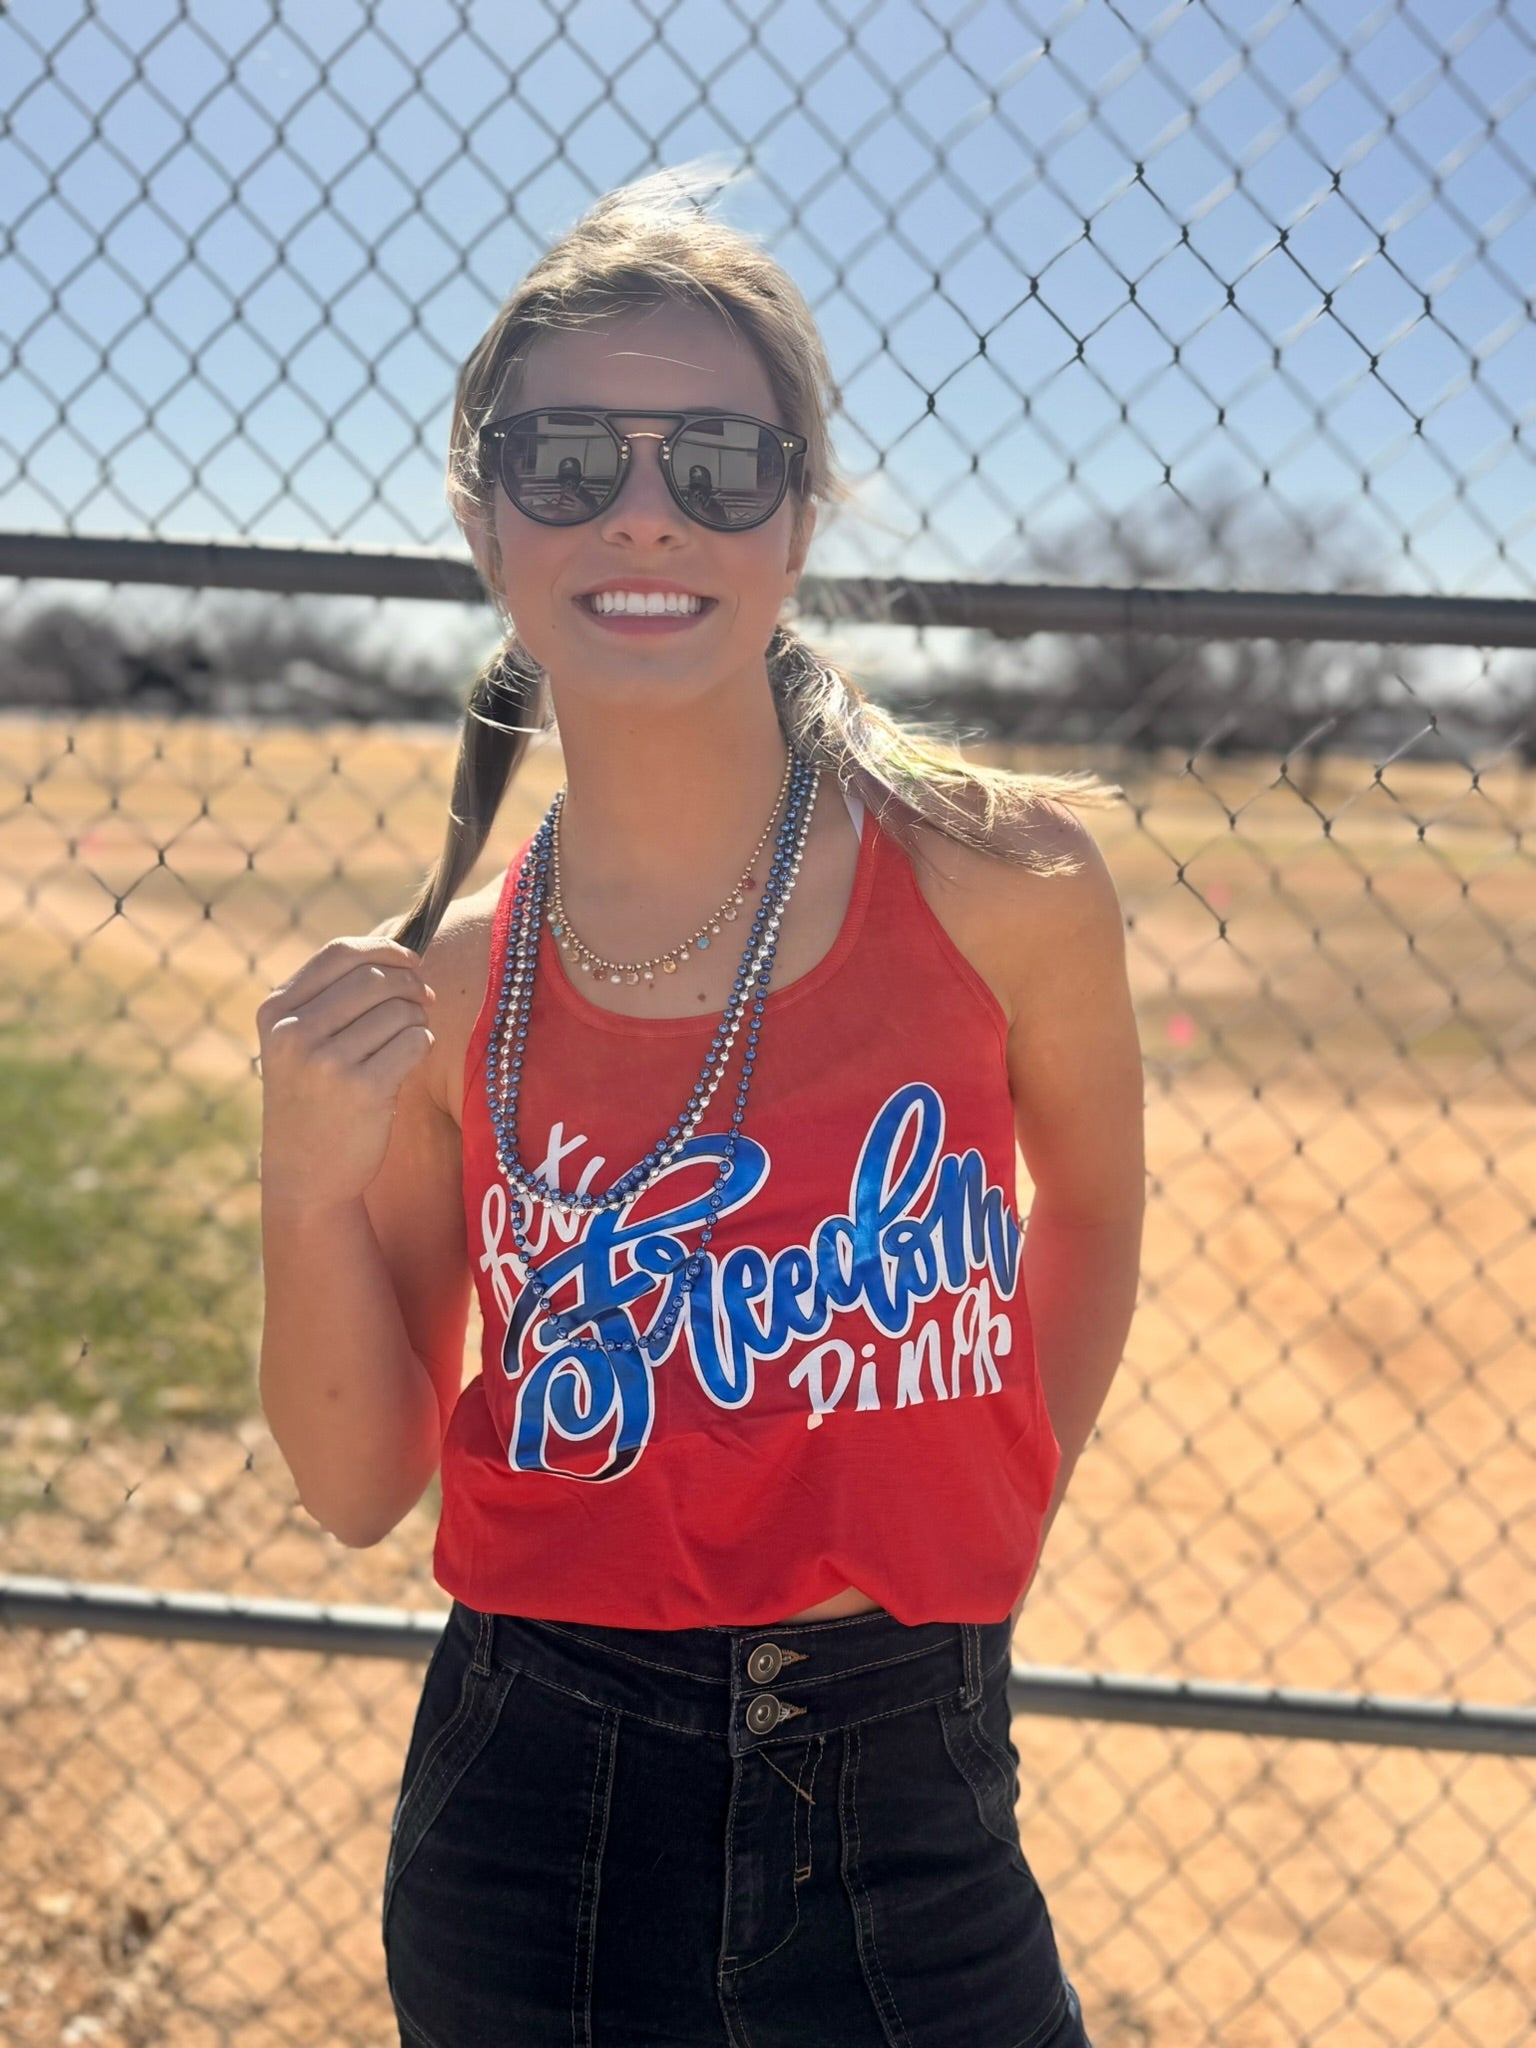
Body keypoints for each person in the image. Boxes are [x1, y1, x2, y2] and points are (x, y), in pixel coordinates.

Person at [256, 163, 1143, 2048]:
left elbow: (1092, 1207)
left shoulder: (1007, 880)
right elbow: (357, 1483)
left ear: (799, 517)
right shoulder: (454, 988)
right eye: (568, 459)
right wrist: (305, 1192)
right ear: (484, 514)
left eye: (722, 466)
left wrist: (1001, 1493)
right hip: (539, 1808)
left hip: (911, 1780)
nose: (644, 512)